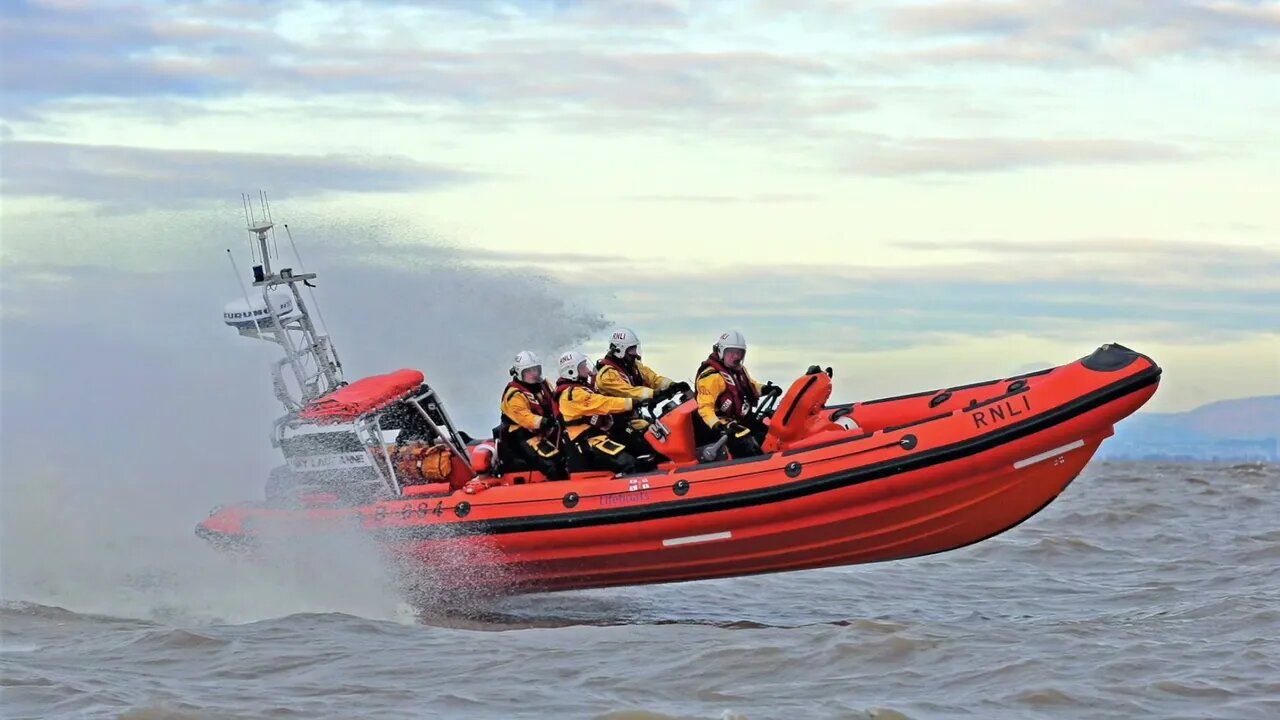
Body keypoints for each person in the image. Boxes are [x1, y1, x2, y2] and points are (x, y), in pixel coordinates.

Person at [555, 351, 657, 474]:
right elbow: (603, 403)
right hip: (586, 443)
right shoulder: (571, 395)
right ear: (571, 371)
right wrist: (630, 403)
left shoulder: (582, 389)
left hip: (599, 435)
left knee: (641, 448)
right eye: (582, 366)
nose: (587, 369)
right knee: (628, 462)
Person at [693, 330, 782, 459]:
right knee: (743, 439)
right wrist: (719, 425)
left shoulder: (739, 370)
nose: (736, 357)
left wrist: (766, 389)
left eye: (739, 353)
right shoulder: (711, 377)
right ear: (721, 352)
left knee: (766, 429)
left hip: (739, 418)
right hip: (720, 424)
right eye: (732, 353)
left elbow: (750, 386)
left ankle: (775, 457)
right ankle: (756, 465)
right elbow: (705, 408)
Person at [594, 327, 690, 440]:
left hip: (635, 418)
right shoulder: (607, 375)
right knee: (652, 441)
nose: (635, 354)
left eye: (635, 349)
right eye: (631, 350)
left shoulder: (634, 366)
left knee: (668, 429)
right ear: (620, 350)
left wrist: (673, 385)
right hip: (615, 423)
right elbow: (629, 392)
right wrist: (654, 394)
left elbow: (654, 379)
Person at [497, 350, 567, 480]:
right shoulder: (514, 395)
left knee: (570, 453)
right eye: (529, 371)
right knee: (553, 463)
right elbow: (526, 418)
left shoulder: (544, 385)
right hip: (523, 436)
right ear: (519, 373)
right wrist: (545, 422)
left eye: (536, 369)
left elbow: (557, 400)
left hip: (548, 431)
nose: (534, 374)